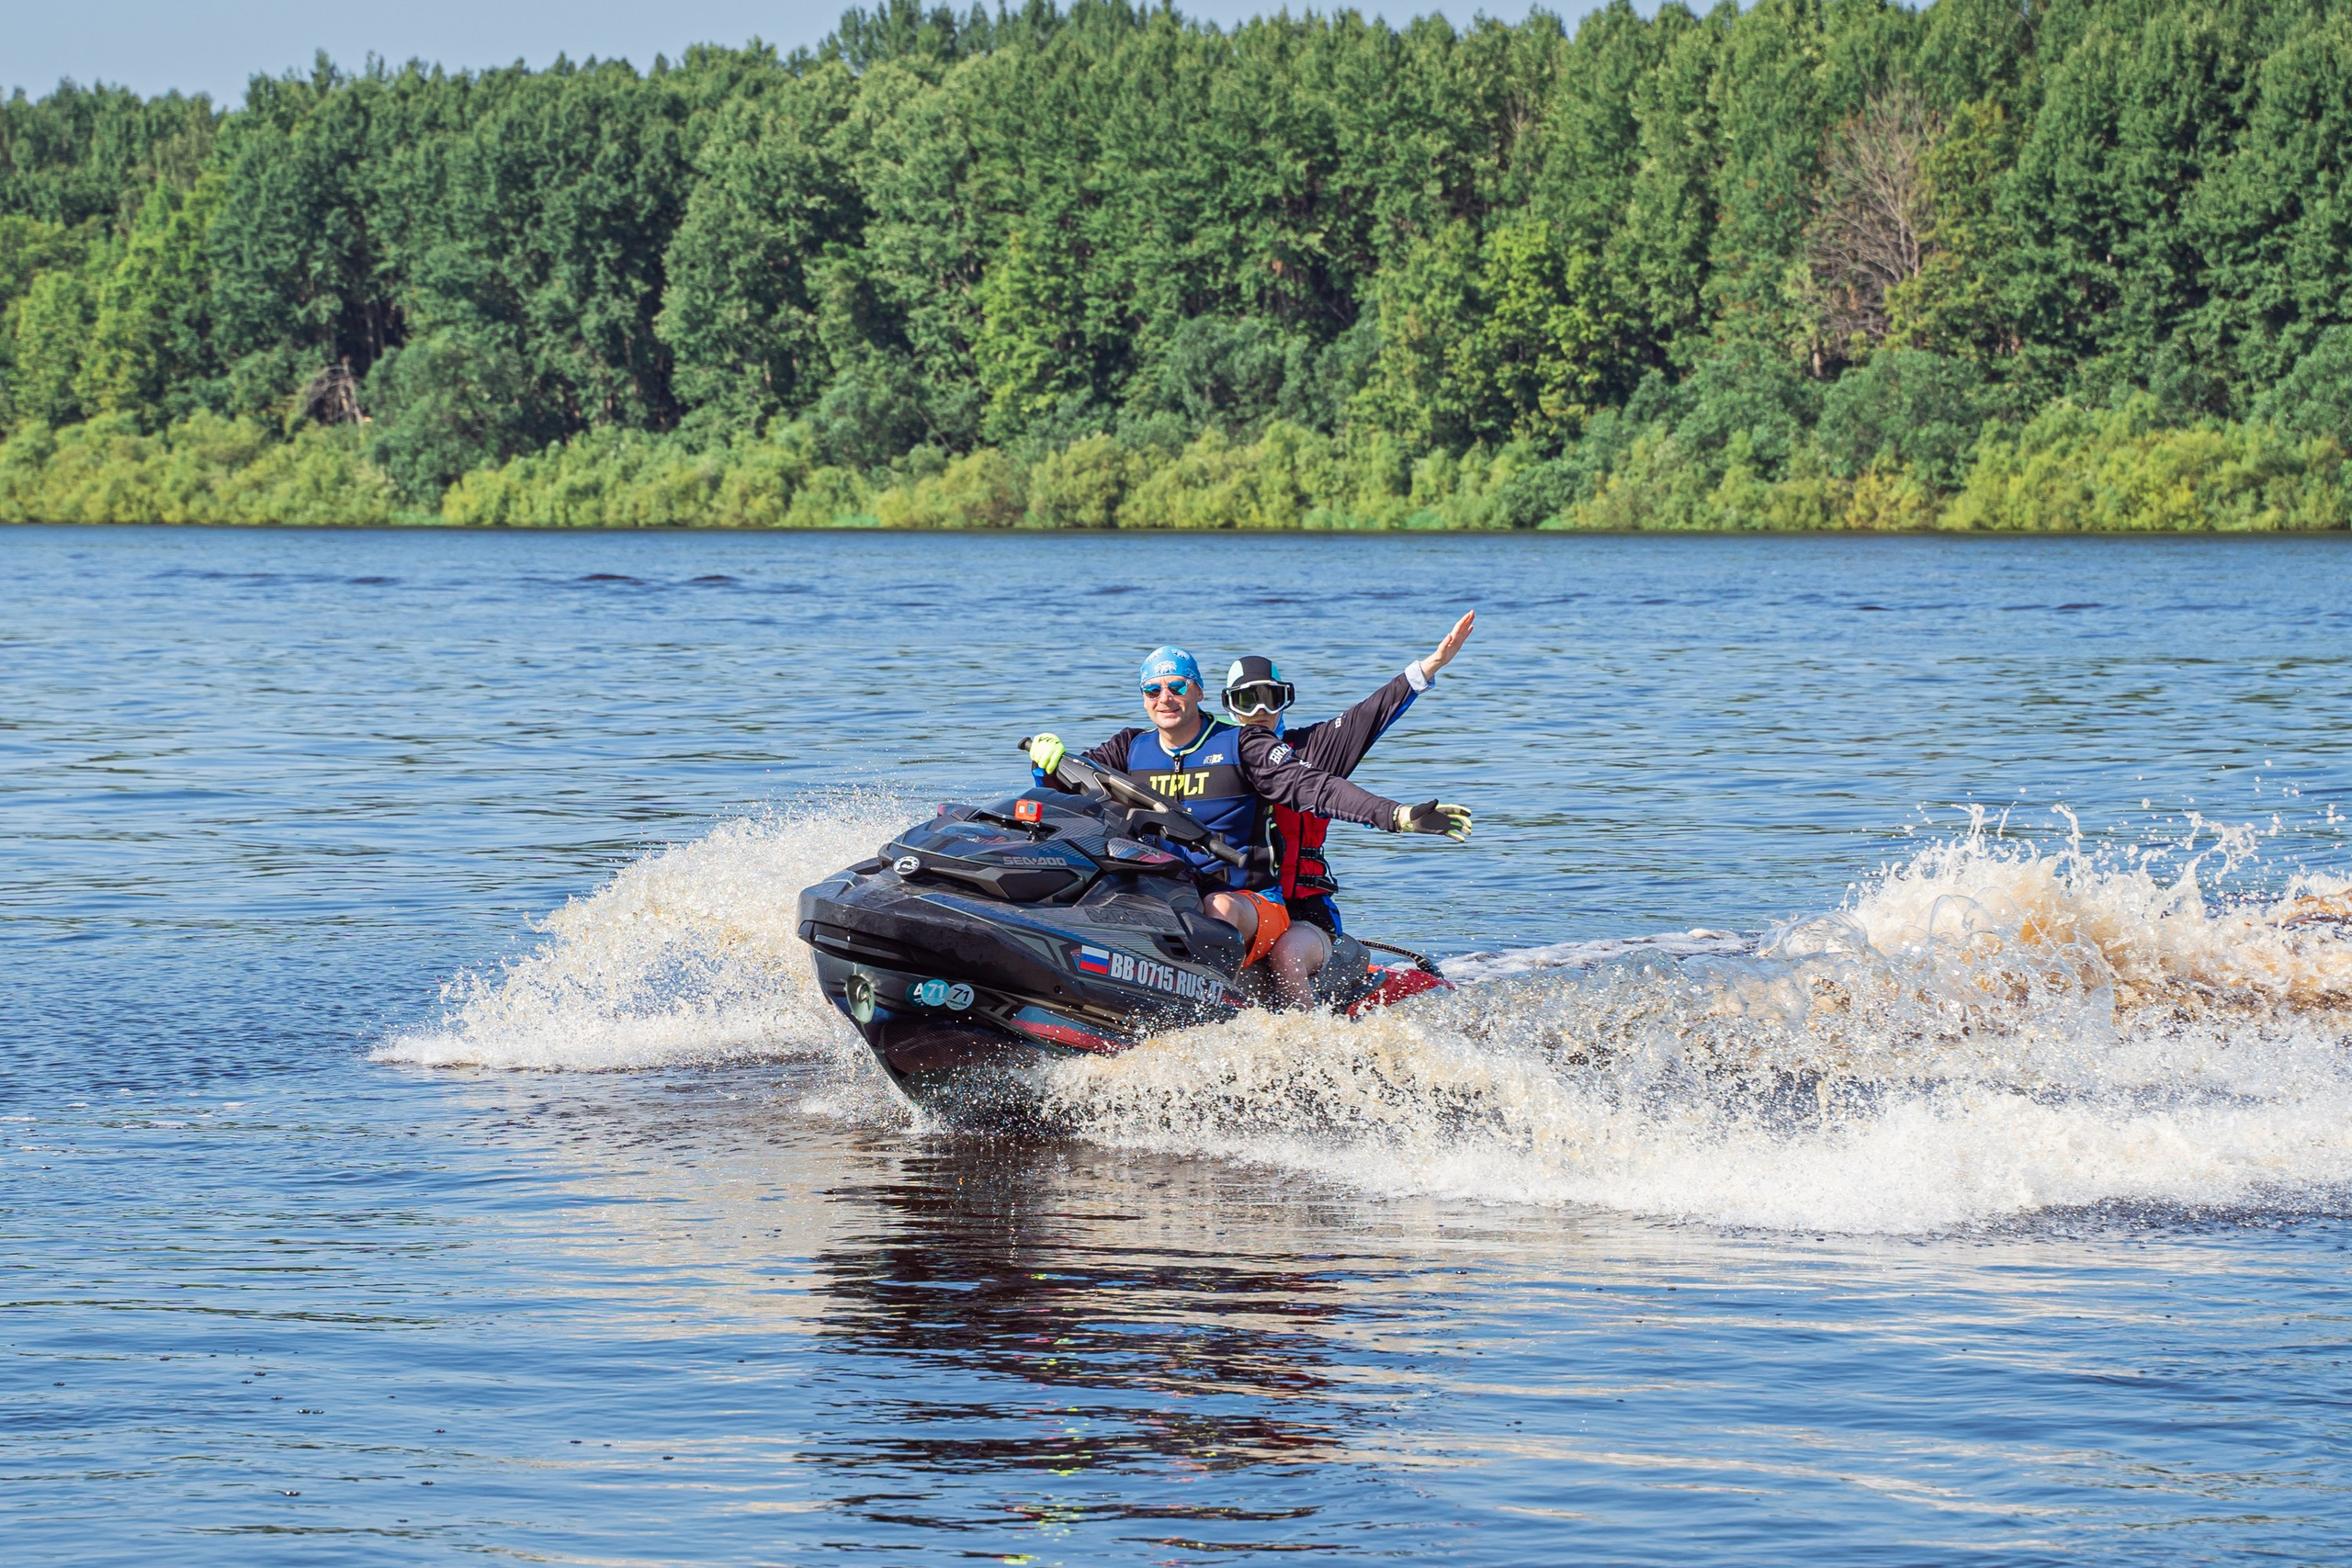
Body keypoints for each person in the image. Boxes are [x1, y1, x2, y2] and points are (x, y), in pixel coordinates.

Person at [1025, 647, 1471, 976]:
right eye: (1154, 689)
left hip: (1263, 903)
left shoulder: (1256, 749)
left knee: (1242, 924)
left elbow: (1326, 775)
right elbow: (1071, 785)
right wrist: (1044, 764)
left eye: (1177, 686)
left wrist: (1398, 815)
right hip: (1168, 893)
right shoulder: (1131, 747)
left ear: (1196, 692)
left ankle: (1297, 1049)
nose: (1258, 712)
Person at [1226, 611, 1476, 1006]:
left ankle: (1311, 1051)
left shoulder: (1313, 749)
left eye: (1270, 697)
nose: (1259, 711)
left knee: (1287, 956)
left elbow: (1371, 714)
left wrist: (1431, 666)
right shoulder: (1212, 758)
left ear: (1285, 699)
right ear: (1228, 706)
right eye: (1246, 699)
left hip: (1305, 912)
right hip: (1245, 905)